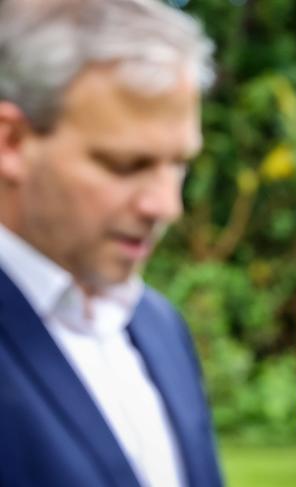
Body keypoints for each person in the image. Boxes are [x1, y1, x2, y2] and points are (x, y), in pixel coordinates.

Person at [0, 0, 222, 485]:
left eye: (178, 164)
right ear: (11, 142)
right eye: (127, 165)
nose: (165, 206)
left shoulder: (159, 325)